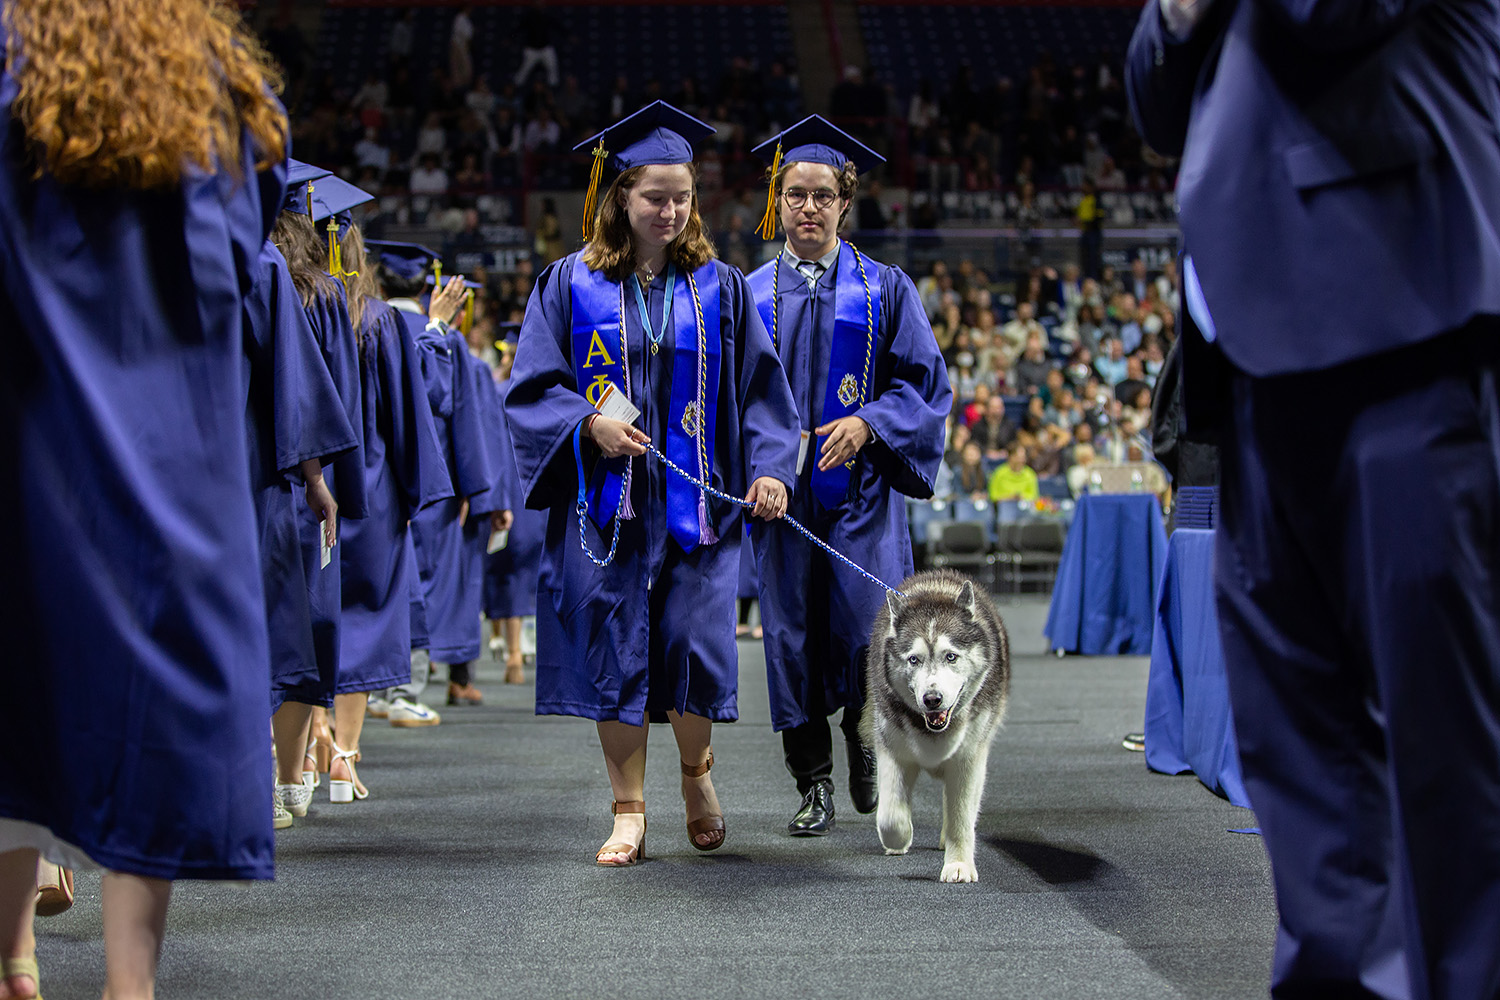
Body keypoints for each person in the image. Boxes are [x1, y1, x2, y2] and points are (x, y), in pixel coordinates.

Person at [1128, 2, 1500, 997]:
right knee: (1304, 762)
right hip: (1254, 367)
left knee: (1447, 746)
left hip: (1400, 329)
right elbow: (1155, 103)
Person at [0, 2, 288, 996]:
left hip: (40, 422)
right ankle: (132, 984)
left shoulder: (14, 51)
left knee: (19, 690)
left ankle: (11, 958)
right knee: (146, 711)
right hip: (177, 441)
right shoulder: (211, 72)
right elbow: (250, 246)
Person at [505, 102, 799, 866]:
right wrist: (588, 422)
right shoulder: (569, 284)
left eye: (682, 196)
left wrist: (771, 471)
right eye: (654, 197)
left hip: (695, 509)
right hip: (606, 515)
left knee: (694, 644)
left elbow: (763, 388)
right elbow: (533, 387)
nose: (670, 211)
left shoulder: (720, 287)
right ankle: (628, 811)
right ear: (620, 198)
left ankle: (697, 776)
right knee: (614, 652)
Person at [746, 116, 952, 836]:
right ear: (777, 201)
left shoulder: (886, 289)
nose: (808, 207)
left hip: (861, 497)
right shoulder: (746, 296)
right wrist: (760, 467)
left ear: (843, 202)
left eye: (822, 195)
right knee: (791, 638)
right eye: (795, 194)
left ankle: (866, 745)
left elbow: (924, 385)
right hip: (780, 500)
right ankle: (814, 783)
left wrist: (869, 422)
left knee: (868, 632)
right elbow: (722, 404)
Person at [329, 213, 452, 802]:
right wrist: (411, 491)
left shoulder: (279, 307)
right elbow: (408, 416)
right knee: (364, 613)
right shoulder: (375, 321)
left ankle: (298, 755)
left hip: (289, 489)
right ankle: (344, 757)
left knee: (295, 620)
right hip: (368, 491)